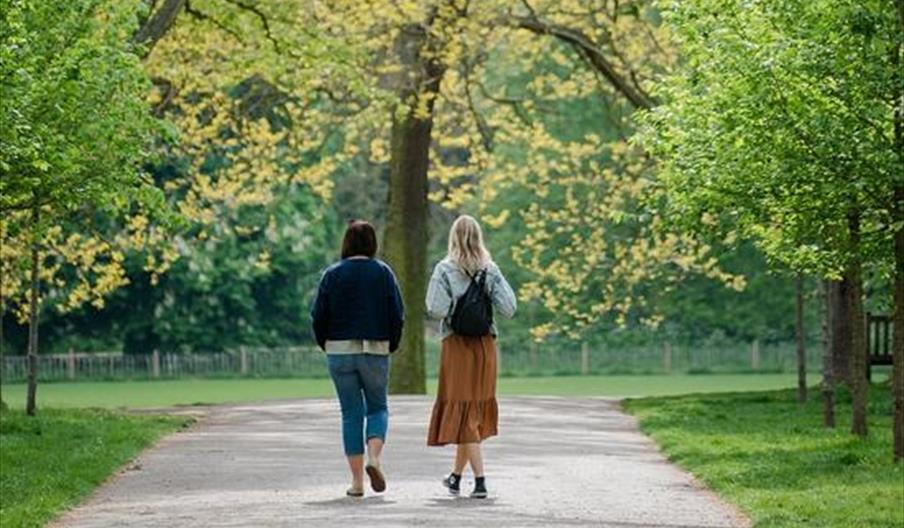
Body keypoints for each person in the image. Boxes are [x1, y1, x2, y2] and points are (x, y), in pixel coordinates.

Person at [425, 214, 517, 499]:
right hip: (485, 346)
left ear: (453, 238)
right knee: (472, 411)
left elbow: (436, 309)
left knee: (465, 414)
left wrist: (454, 299)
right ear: (479, 238)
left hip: (457, 346)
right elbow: (509, 307)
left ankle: (480, 481)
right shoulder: (490, 270)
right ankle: (455, 477)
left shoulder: (444, 269)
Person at [311, 219, 404, 498]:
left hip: (339, 352)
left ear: (346, 243)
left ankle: (357, 483)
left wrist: (325, 343)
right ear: (372, 243)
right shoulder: (384, 273)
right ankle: (373, 459)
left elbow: (318, 315)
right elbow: (397, 314)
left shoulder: (332, 274)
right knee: (377, 408)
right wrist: (392, 344)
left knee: (351, 414)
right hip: (375, 350)